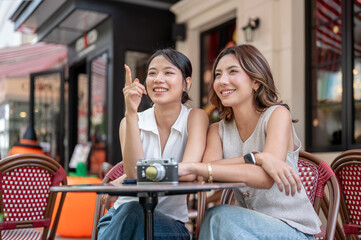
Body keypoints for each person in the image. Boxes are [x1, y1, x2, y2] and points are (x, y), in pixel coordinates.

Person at [178, 45, 321, 239]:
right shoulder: (217, 130)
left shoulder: (277, 115)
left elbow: (264, 178)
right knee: (218, 220)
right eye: (218, 75)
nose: (222, 81)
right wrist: (257, 158)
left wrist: (201, 167)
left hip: (292, 230)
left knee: (216, 218)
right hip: (244, 231)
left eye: (233, 72)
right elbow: (208, 170)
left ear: (256, 81)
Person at [97, 49, 209, 240]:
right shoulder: (130, 121)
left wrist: (129, 176)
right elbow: (134, 173)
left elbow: (190, 171)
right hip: (118, 219)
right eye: (152, 73)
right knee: (132, 209)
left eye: (168, 72)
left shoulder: (195, 118)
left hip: (170, 225)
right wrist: (131, 113)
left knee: (134, 210)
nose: (158, 79)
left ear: (186, 83)